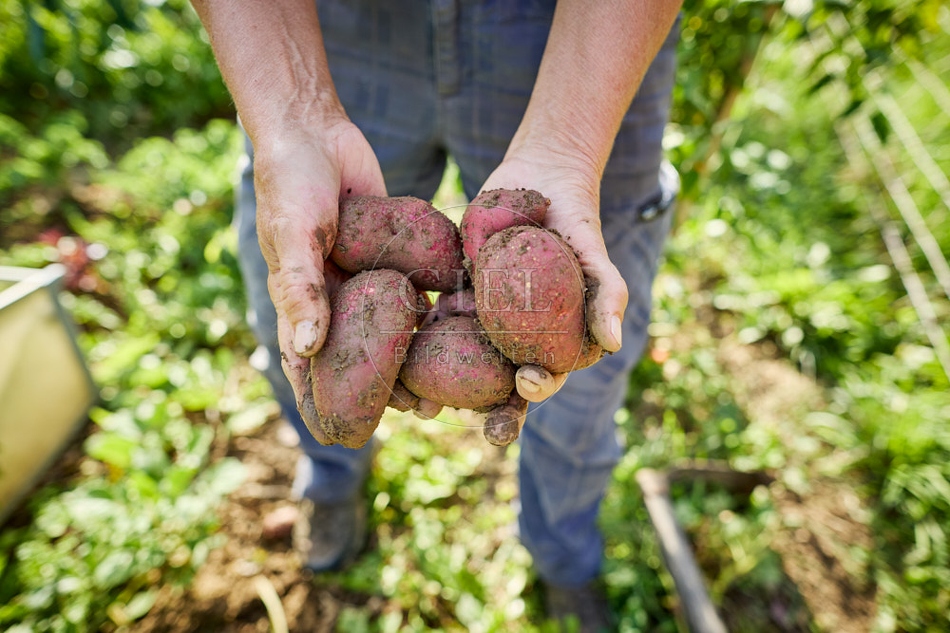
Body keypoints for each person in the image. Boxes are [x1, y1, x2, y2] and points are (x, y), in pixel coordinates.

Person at [191, 1, 682, 629]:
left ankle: (564, 559)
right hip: (327, 27)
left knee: (582, 387)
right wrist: (292, 121)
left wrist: (565, 147)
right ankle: (333, 481)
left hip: (582, 35)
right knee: (302, 305)